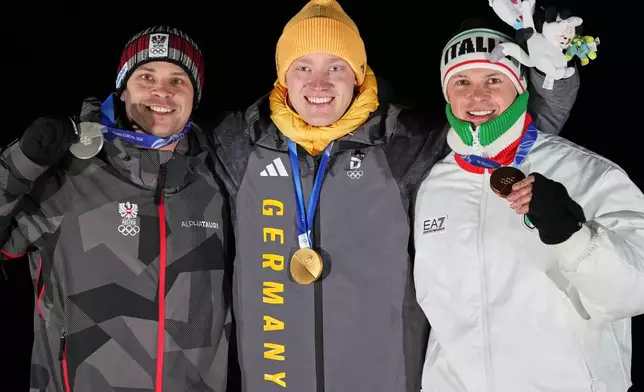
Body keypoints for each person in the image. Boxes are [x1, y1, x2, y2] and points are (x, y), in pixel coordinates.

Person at [211, 1, 580, 390]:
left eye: (335, 67)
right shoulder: (241, 145)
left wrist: (551, 70)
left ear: (357, 74)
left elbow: (512, 136)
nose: (318, 84)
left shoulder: (403, 144)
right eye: (303, 67)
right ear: (284, 76)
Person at [413, 24, 644, 392]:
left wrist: (573, 235)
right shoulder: (433, 186)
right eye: (461, 82)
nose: (477, 96)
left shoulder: (589, 173)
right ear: (446, 92)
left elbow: (634, 292)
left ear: (519, 85)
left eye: (493, 79)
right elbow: (439, 313)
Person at [0, 26, 232, 391]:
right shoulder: (72, 175)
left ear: (194, 96)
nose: (162, 91)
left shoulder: (217, 182)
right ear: (123, 90)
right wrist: (21, 162)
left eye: (178, 79)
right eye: (146, 77)